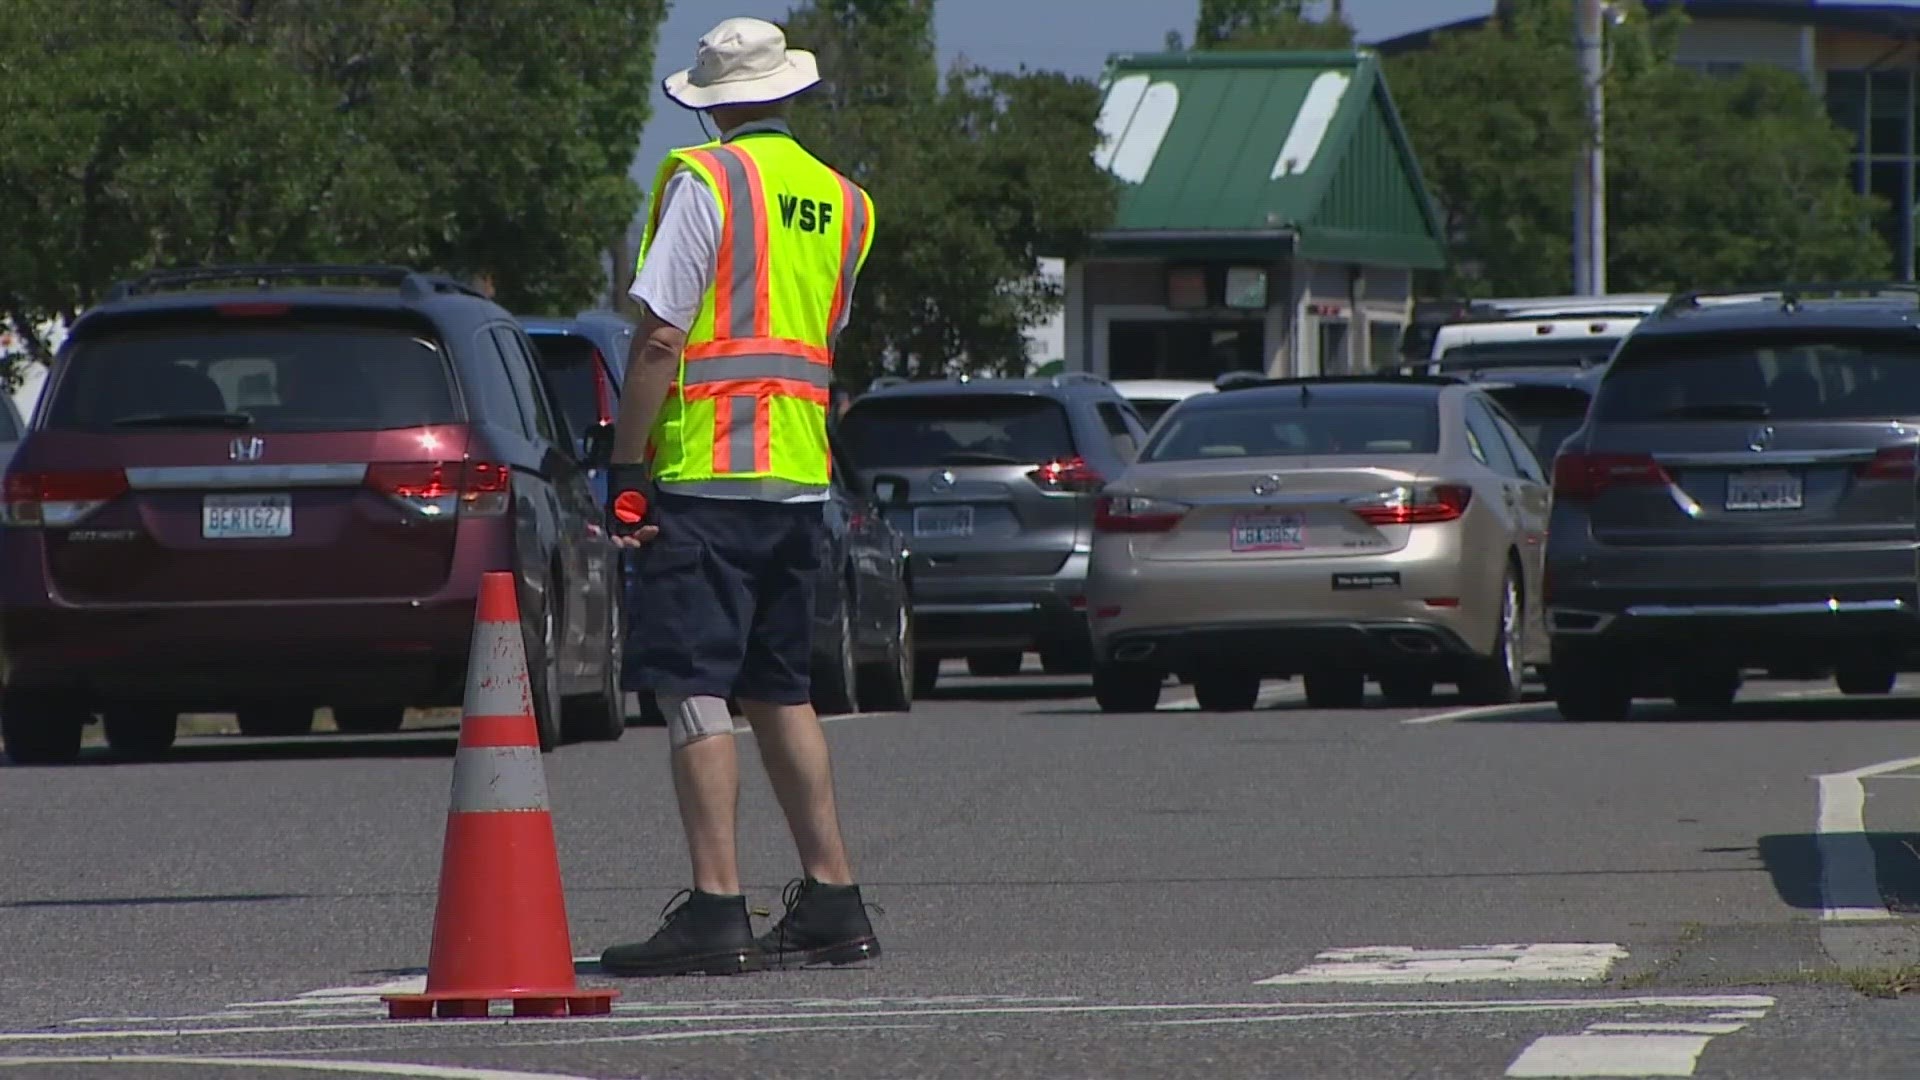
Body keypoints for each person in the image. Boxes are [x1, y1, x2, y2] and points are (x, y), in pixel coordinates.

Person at [598, 16, 881, 979]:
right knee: (781, 688)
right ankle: (833, 899)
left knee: (691, 687)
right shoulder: (844, 202)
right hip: (801, 480)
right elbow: (817, 339)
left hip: (708, 478)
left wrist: (625, 469)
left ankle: (718, 910)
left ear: (711, 103)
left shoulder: (705, 180)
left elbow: (659, 341)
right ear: (790, 92)